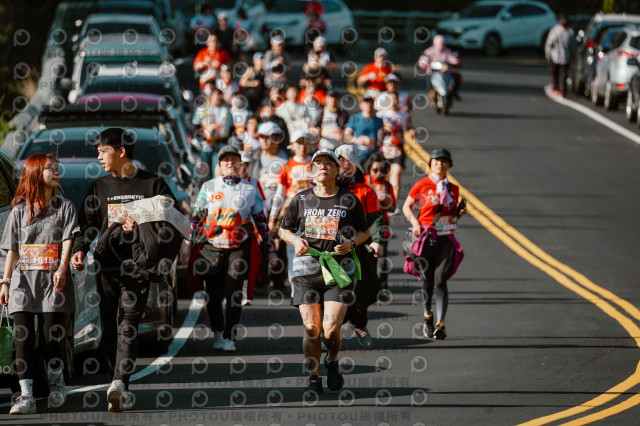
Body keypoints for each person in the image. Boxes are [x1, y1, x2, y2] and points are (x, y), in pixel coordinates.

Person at [70, 128, 181, 411]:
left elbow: (173, 224)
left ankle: (120, 383)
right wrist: (79, 249)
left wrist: (143, 227)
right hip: (106, 266)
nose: (99, 157)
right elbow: (87, 224)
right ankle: (116, 380)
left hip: (137, 268)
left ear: (121, 151)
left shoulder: (153, 184)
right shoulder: (99, 187)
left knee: (128, 323)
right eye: (97, 152)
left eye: (103, 151)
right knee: (110, 327)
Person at [279, 148, 370, 394]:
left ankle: (332, 359)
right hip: (306, 272)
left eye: (328, 163)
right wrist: (295, 240)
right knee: (312, 329)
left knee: (330, 331)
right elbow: (283, 230)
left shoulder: (349, 200)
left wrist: (351, 244)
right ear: (311, 170)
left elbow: (365, 232)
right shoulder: (301, 199)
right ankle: (313, 377)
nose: (322, 167)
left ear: (337, 170)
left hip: (338, 272)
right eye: (317, 163)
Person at [1, 154, 78, 415]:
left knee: (49, 340)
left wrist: (63, 268)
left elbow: (68, 240)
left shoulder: (65, 207)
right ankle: (26, 396)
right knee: (22, 340)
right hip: (22, 283)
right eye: (50, 169)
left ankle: (56, 384)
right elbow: (12, 250)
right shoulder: (18, 211)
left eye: (57, 169)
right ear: (35, 173)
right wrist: (5, 282)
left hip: (52, 283)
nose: (56, 173)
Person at [181, 146, 275, 351]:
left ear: (240, 163)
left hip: (239, 246)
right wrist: (188, 243)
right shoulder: (209, 187)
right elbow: (196, 218)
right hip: (212, 246)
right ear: (220, 165)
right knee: (213, 295)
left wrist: (271, 249)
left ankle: (229, 336)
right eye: (226, 160)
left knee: (233, 291)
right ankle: (217, 330)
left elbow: (261, 221)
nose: (230, 163)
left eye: (234, 159)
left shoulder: (250, 188)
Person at [402, 148, 466, 340]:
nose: (440, 164)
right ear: (430, 163)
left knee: (440, 278)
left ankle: (441, 324)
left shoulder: (453, 188)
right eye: (436, 160)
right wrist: (415, 224)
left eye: (444, 161)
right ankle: (427, 317)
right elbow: (406, 207)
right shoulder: (422, 184)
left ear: (449, 165)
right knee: (427, 280)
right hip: (426, 237)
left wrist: (459, 213)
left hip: (446, 237)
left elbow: (451, 214)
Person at [335, 144, 384, 349]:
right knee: (332, 290)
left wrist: (376, 240)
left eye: (348, 161)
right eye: (340, 161)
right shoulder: (327, 190)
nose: (344, 165)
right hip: (331, 250)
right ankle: (331, 329)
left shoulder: (366, 191)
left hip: (358, 248)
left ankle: (359, 324)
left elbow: (375, 219)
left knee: (359, 289)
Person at [363, 152, 395, 300]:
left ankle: (382, 290)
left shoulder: (387, 185)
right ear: (369, 169)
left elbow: (393, 207)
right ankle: (368, 289)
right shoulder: (363, 182)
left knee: (382, 261)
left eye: (381, 170)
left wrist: (386, 203)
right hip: (365, 229)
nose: (378, 173)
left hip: (383, 227)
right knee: (368, 261)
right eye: (374, 170)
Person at [376, 91, 414, 203]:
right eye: (390, 99)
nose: (392, 102)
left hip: (398, 148)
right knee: (384, 176)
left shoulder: (404, 114)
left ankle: (394, 204)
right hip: (384, 149)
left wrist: (411, 132)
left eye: (394, 99)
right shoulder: (380, 115)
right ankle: (383, 202)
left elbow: (410, 127)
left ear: (398, 100)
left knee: (396, 173)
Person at [192, 87, 234, 179]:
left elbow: (231, 128)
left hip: (219, 145)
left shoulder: (226, 110)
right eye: (217, 94)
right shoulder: (203, 109)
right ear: (211, 96)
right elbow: (195, 126)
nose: (219, 97)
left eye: (220, 95)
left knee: (216, 169)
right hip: (204, 145)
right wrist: (201, 138)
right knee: (205, 171)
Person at [418, 34, 462, 102]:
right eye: (440, 44)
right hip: (433, 72)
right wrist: (424, 64)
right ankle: (431, 92)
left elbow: (452, 58)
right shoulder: (429, 51)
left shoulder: (447, 51)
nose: (441, 45)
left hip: (446, 72)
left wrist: (456, 62)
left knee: (457, 76)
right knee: (429, 80)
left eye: (442, 43)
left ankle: (454, 92)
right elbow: (423, 59)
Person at [344, 95, 384, 163]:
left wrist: (375, 142)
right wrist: (357, 140)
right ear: (360, 105)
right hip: (358, 156)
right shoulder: (355, 118)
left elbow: (382, 139)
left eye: (370, 102)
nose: (368, 104)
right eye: (366, 102)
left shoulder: (379, 120)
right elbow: (346, 136)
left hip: (374, 156)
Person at [545, 14, 572, 98]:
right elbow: (550, 43)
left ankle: (560, 89)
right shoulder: (566, 32)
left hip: (561, 56)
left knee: (560, 74)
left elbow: (549, 43)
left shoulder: (568, 32)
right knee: (558, 73)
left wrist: (548, 54)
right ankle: (558, 88)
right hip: (558, 56)